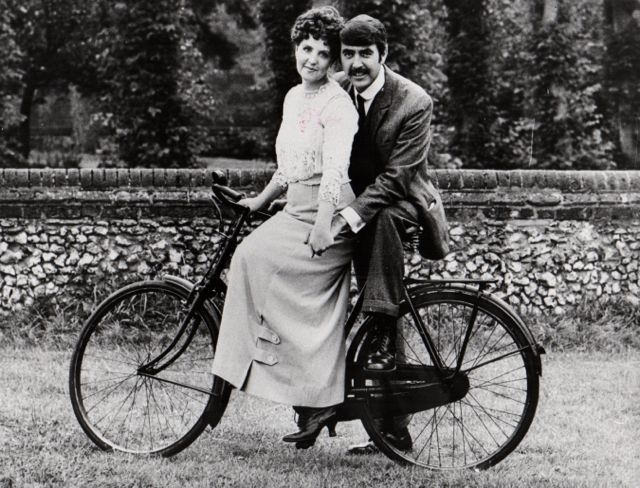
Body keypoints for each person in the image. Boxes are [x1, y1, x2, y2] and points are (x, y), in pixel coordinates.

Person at [211, 6, 359, 448]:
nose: (312, 58)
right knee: (251, 263)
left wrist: (322, 225)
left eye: (322, 52)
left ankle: (315, 397)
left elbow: (334, 168)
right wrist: (257, 201)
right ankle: (305, 395)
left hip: (328, 214)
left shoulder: (338, 103)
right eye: (306, 47)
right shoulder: (295, 97)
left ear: (334, 61)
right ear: (295, 48)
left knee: (252, 260)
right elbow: (291, 166)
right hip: (295, 209)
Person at [329, 14, 450, 453]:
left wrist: (350, 216)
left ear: (383, 54)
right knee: (384, 304)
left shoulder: (413, 101)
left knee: (380, 234)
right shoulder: (338, 90)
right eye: (349, 54)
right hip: (354, 207)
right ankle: (392, 433)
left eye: (365, 54)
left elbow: (398, 177)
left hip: (400, 206)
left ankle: (379, 329)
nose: (356, 64)